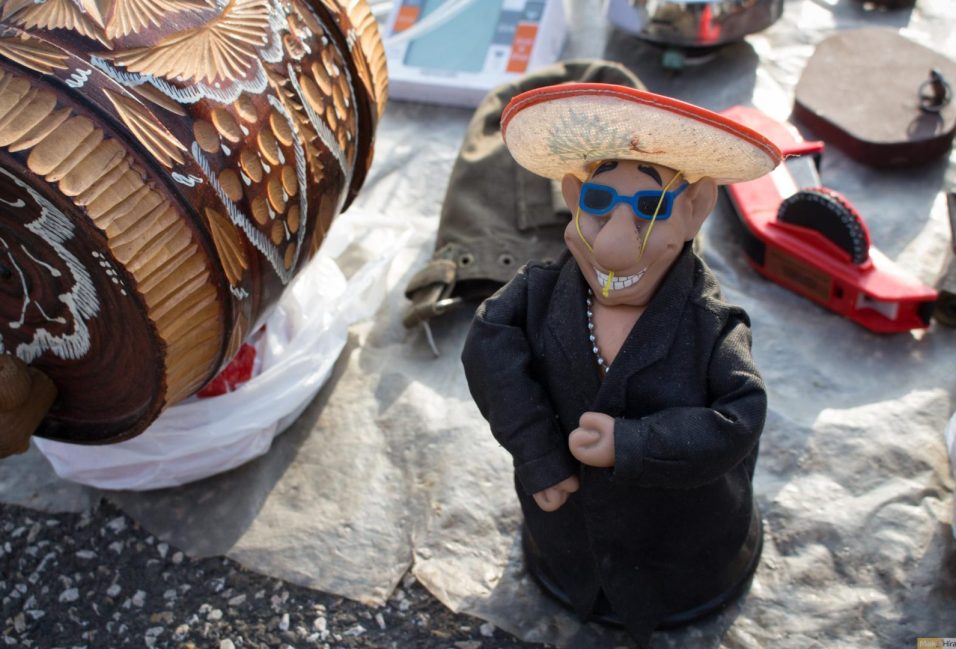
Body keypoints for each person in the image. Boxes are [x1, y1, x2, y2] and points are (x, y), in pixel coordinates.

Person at [461, 83, 782, 646]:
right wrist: (538, 453)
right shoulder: (533, 298)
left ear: (694, 211)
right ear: (573, 197)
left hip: (683, 550)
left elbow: (740, 417)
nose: (614, 243)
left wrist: (634, 444)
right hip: (567, 537)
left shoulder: (712, 326)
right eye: (599, 202)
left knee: (671, 573)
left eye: (651, 209)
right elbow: (489, 352)